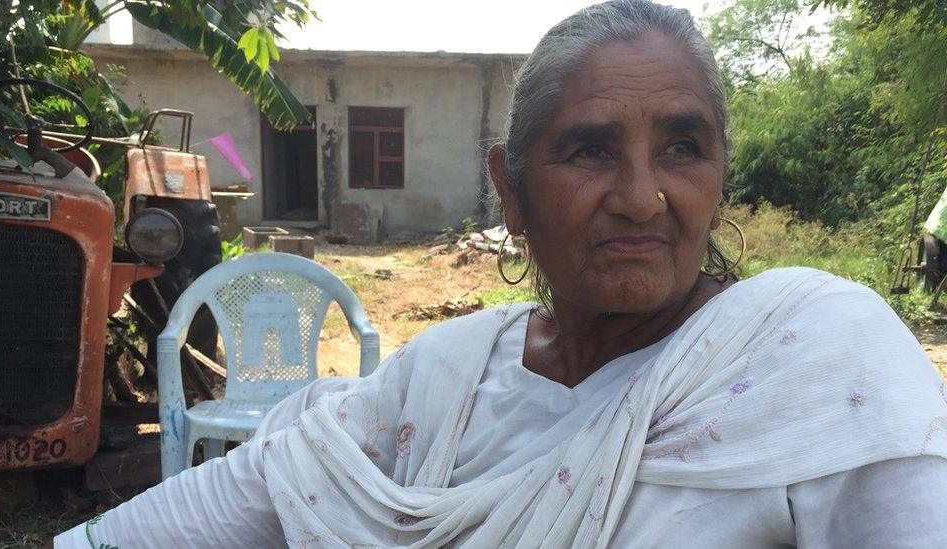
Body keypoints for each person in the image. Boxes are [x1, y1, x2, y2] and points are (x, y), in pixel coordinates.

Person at [56, 1, 947, 547]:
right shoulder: (446, 376)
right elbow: (249, 492)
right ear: (510, 191)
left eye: (683, 146)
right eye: (590, 149)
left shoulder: (819, 358)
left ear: (719, 179)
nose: (642, 197)